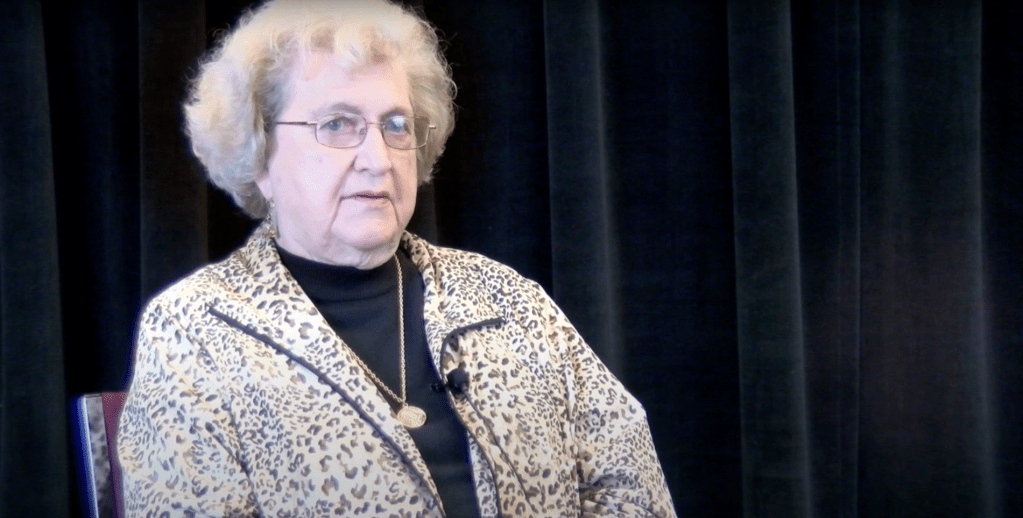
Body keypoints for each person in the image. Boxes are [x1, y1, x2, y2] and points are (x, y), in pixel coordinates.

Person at [117, 0, 677, 516]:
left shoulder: (508, 300)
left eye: (396, 125)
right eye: (337, 124)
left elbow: (633, 488)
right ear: (259, 153)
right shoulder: (195, 330)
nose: (378, 158)